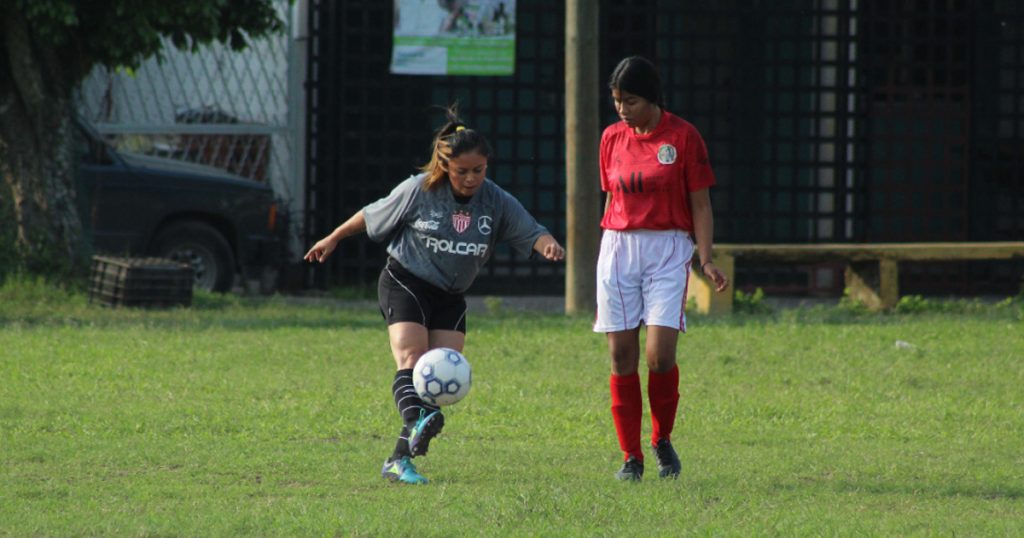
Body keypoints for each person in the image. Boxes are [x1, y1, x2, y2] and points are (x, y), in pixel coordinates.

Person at [305, 106, 565, 485]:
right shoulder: (419, 189)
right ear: (446, 165)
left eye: (479, 170)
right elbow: (370, 214)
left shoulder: (495, 200)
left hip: (451, 295)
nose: (472, 178)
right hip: (406, 281)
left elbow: (529, 228)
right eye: (463, 171)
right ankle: (416, 420)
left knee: (439, 375)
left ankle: (397, 460)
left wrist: (547, 245)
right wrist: (332, 238)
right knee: (412, 359)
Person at [593, 56, 729, 481]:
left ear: (651, 98)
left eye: (630, 100)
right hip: (618, 247)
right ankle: (630, 457)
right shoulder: (612, 138)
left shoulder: (684, 137)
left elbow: (701, 204)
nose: (621, 109)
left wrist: (705, 259)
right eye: (616, 100)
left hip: (669, 247)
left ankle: (661, 439)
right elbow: (611, 198)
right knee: (620, 354)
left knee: (659, 355)